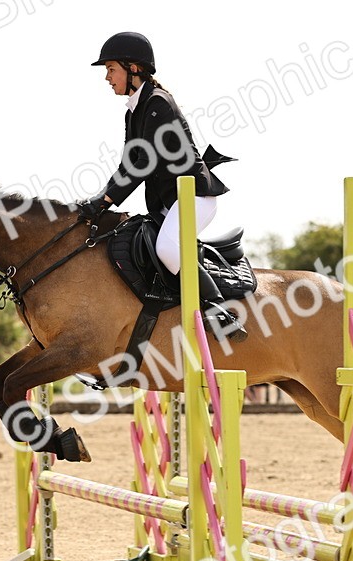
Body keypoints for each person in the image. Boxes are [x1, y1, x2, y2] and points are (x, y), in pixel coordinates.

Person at [78, 31, 247, 342]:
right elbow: (129, 163)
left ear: (134, 69)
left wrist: (105, 200)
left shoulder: (158, 104)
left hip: (194, 196)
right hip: (169, 202)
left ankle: (223, 314)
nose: (107, 77)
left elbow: (145, 163)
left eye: (111, 69)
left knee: (168, 249)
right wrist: (99, 199)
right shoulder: (134, 110)